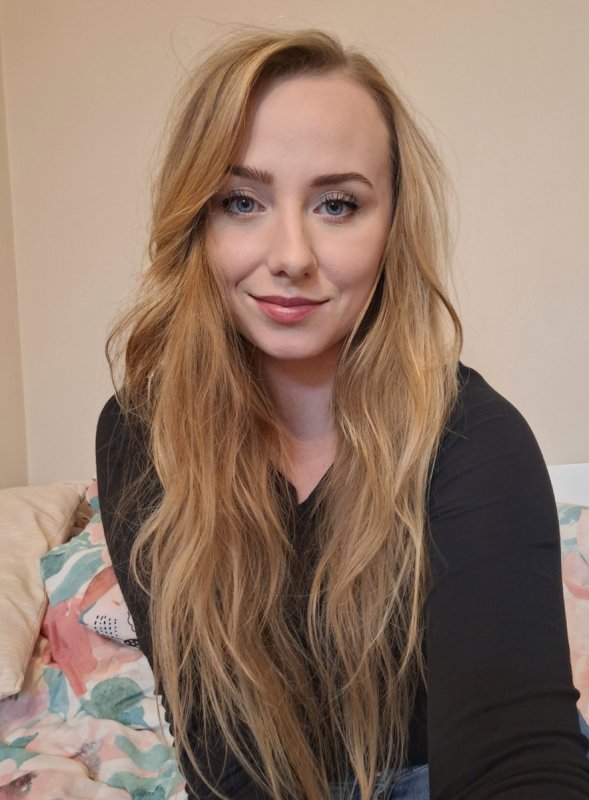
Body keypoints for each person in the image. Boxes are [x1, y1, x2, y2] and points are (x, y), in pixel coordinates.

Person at [95, 29, 589, 800]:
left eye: (336, 204)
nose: (291, 254)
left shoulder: (475, 440)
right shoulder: (142, 435)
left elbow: (517, 761)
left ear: (391, 226)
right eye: (241, 201)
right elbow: (220, 757)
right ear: (197, 221)